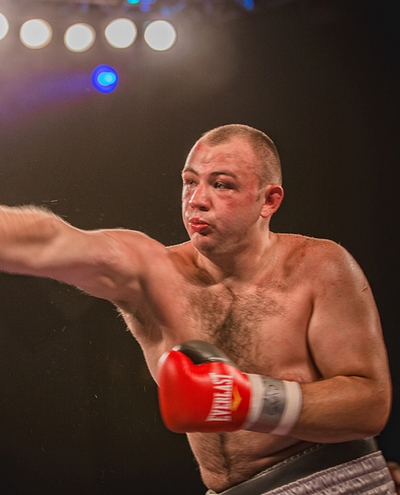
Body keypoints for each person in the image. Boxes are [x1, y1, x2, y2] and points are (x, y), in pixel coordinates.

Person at [0, 124, 395, 494]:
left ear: (268, 200)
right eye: (190, 182)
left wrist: (247, 400)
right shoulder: (154, 274)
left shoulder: (318, 267)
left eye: (221, 185)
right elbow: (51, 240)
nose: (196, 200)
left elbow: (371, 404)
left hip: (334, 479)